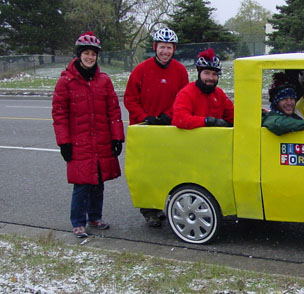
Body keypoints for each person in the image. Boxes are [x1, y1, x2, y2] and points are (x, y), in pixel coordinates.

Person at [52, 31, 125, 238]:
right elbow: (59, 114)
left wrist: (116, 137)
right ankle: (78, 222)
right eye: (86, 53)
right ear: (79, 54)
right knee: (82, 183)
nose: (89, 57)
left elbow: (113, 111)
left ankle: (95, 216)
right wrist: (64, 142)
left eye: (93, 54)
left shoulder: (104, 80)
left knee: (98, 181)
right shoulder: (66, 81)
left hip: (101, 140)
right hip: (79, 142)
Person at [124, 27, 189, 227]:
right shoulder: (141, 70)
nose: (165, 52)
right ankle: (149, 209)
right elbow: (130, 99)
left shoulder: (179, 70)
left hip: (168, 127)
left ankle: (165, 203)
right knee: (147, 170)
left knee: (168, 168)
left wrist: (167, 115)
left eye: (169, 48)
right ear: (155, 48)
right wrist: (145, 117)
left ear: (173, 49)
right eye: (162, 47)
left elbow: (184, 97)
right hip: (145, 128)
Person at [172, 48, 234, 129]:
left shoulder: (219, 94)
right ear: (199, 73)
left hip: (215, 139)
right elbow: (180, 119)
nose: (211, 78)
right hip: (189, 140)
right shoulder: (186, 93)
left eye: (214, 74)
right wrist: (207, 121)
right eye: (206, 73)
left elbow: (232, 116)